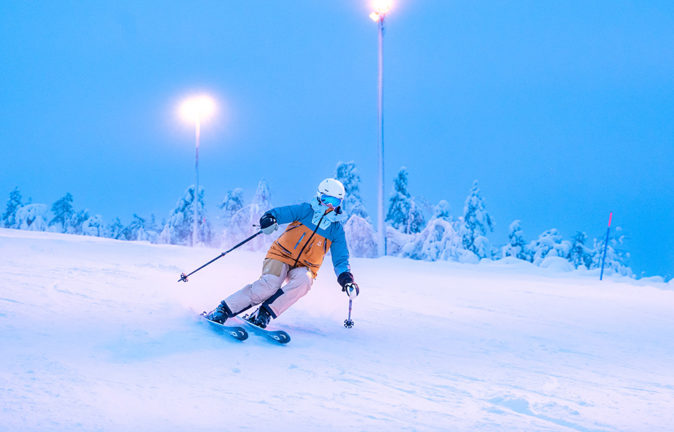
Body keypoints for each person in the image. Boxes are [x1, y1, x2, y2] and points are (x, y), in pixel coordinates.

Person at [206, 178, 360, 328]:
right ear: (319, 196)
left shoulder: (336, 230)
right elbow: (279, 213)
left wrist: (346, 278)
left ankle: (263, 313)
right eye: (326, 199)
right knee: (269, 286)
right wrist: (269, 219)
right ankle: (223, 309)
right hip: (280, 256)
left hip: (306, 266)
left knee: (305, 282)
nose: (329, 206)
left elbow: (341, 259)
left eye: (335, 202)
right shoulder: (305, 210)